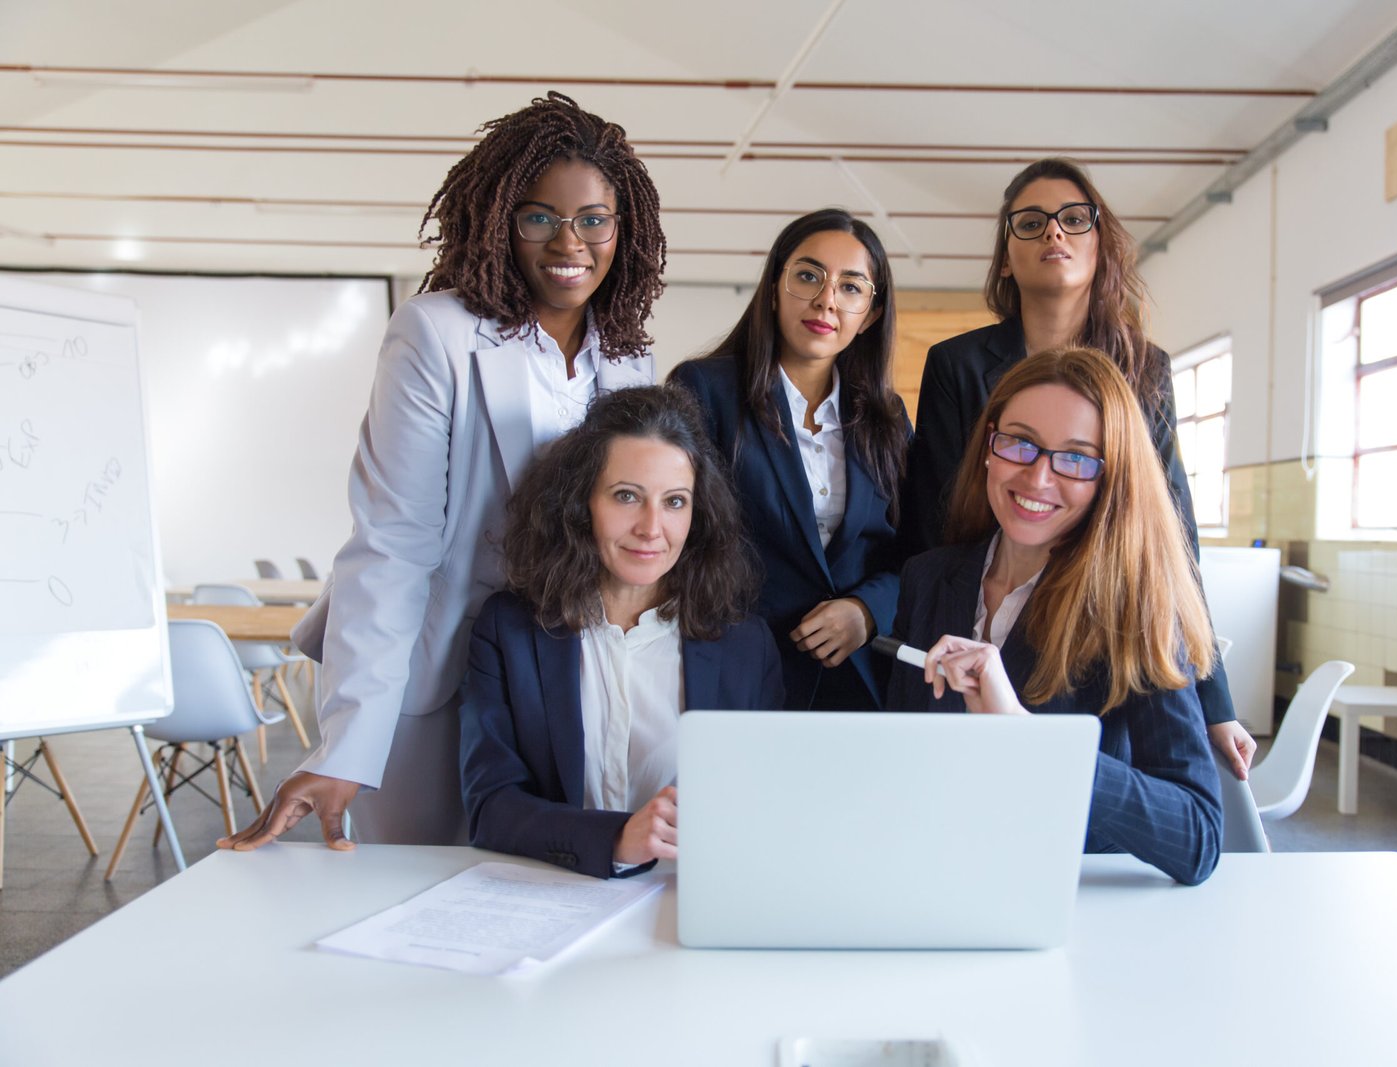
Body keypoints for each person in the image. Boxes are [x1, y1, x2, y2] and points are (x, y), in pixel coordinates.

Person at [219, 92, 666, 851]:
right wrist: (349, 744)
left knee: (545, 890)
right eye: (539, 216)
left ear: (622, 229)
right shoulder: (435, 334)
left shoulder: (627, 359)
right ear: (497, 219)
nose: (571, 241)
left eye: (594, 219)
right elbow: (395, 543)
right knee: (413, 897)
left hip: (564, 678)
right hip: (437, 674)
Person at [901, 158, 1256, 780]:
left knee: (1083, 786)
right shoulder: (956, 364)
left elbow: (1175, 534)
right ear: (1006, 257)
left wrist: (1212, 698)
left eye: (1073, 220)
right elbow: (935, 515)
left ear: (1100, 246)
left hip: (1097, 612)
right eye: (1031, 224)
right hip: (980, 614)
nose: (1053, 235)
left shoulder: (1144, 369)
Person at [887, 347, 1221, 886]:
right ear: (989, 448)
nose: (1038, 478)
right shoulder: (927, 578)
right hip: (935, 880)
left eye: (1076, 458)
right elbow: (902, 759)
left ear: (1110, 481)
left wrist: (1028, 738)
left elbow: (1197, 836)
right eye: (1019, 443)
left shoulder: (1135, 608)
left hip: (1070, 899)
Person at [459, 386, 783, 878]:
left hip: (690, 899)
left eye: (675, 502)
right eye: (627, 496)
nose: (652, 527)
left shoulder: (745, 645)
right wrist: (615, 839)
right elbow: (490, 807)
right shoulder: (508, 630)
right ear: (580, 503)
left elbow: (766, 805)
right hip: (552, 894)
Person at [670, 210, 908, 710]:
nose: (826, 299)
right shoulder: (704, 390)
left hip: (859, 680)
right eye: (808, 276)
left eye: (851, 288)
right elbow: (683, 542)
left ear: (873, 313)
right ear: (775, 285)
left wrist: (867, 610)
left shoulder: (887, 418)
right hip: (738, 670)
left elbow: (916, 549)